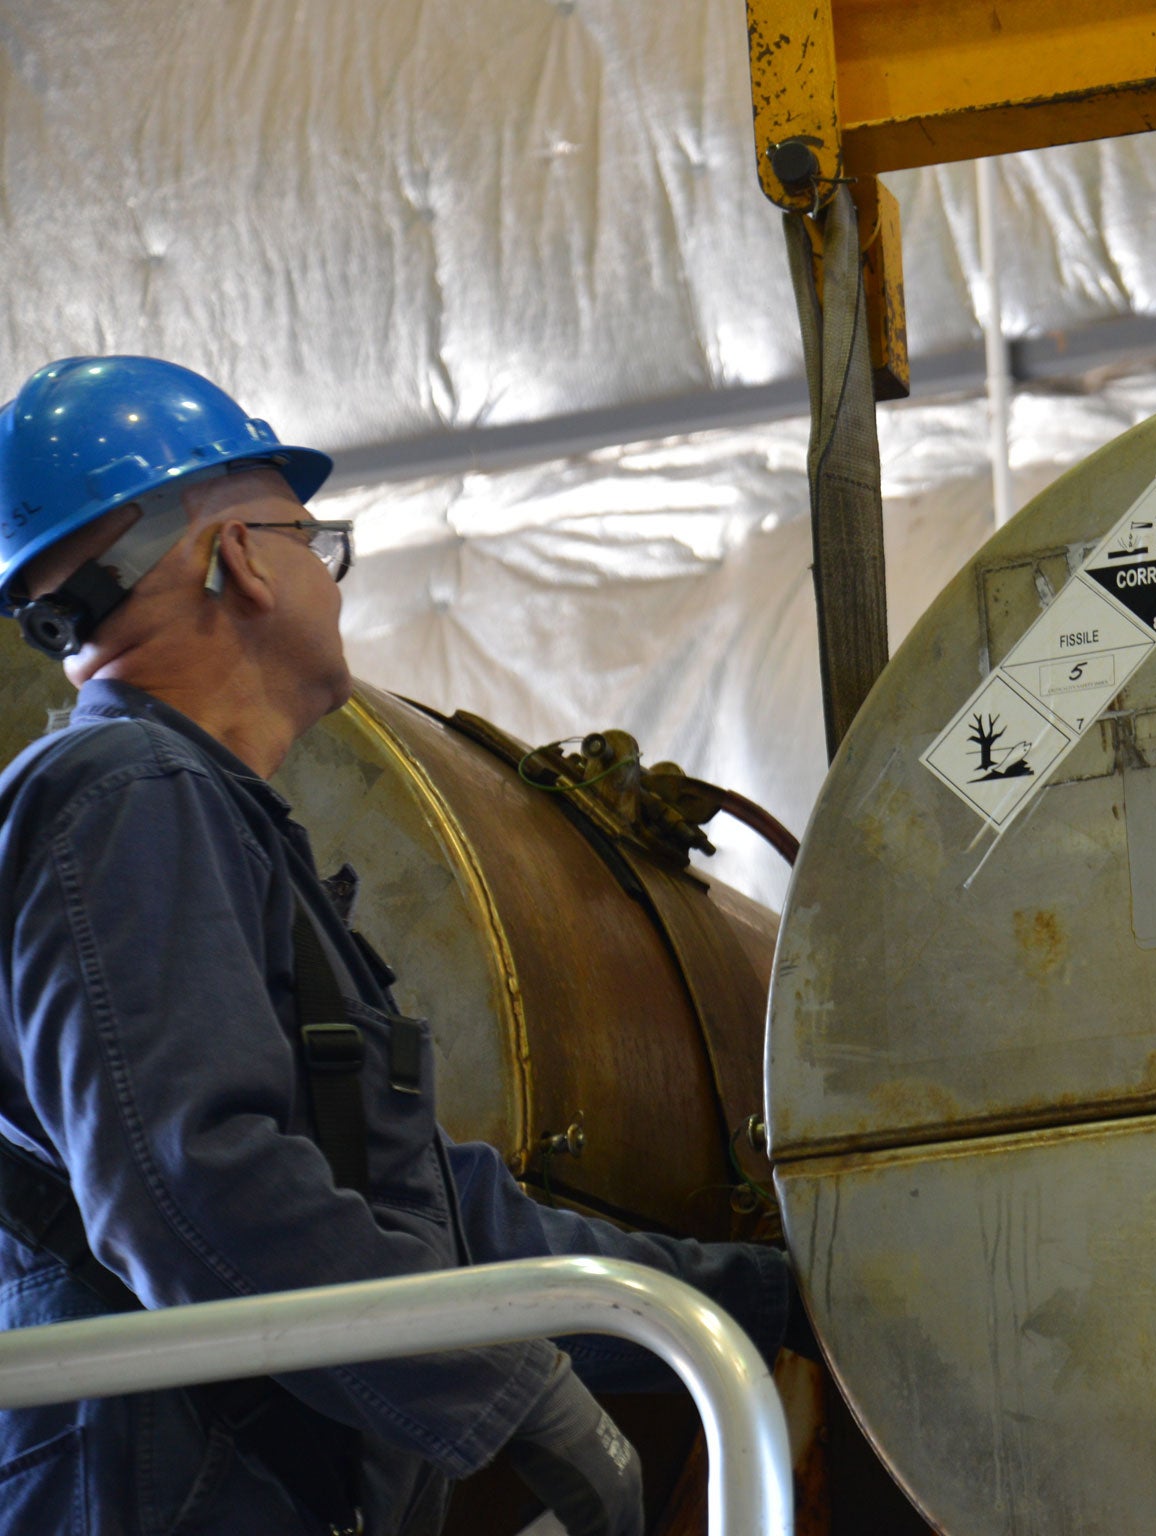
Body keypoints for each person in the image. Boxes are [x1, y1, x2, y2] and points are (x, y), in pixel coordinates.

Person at [0, 357, 800, 1536]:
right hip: (170, 1491)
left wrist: (762, 1302)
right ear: (239, 561)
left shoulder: (197, 814)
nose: (330, 585)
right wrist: (507, 1391)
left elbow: (431, 1210)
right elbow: (195, 1185)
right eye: (311, 542)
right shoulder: (127, 793)